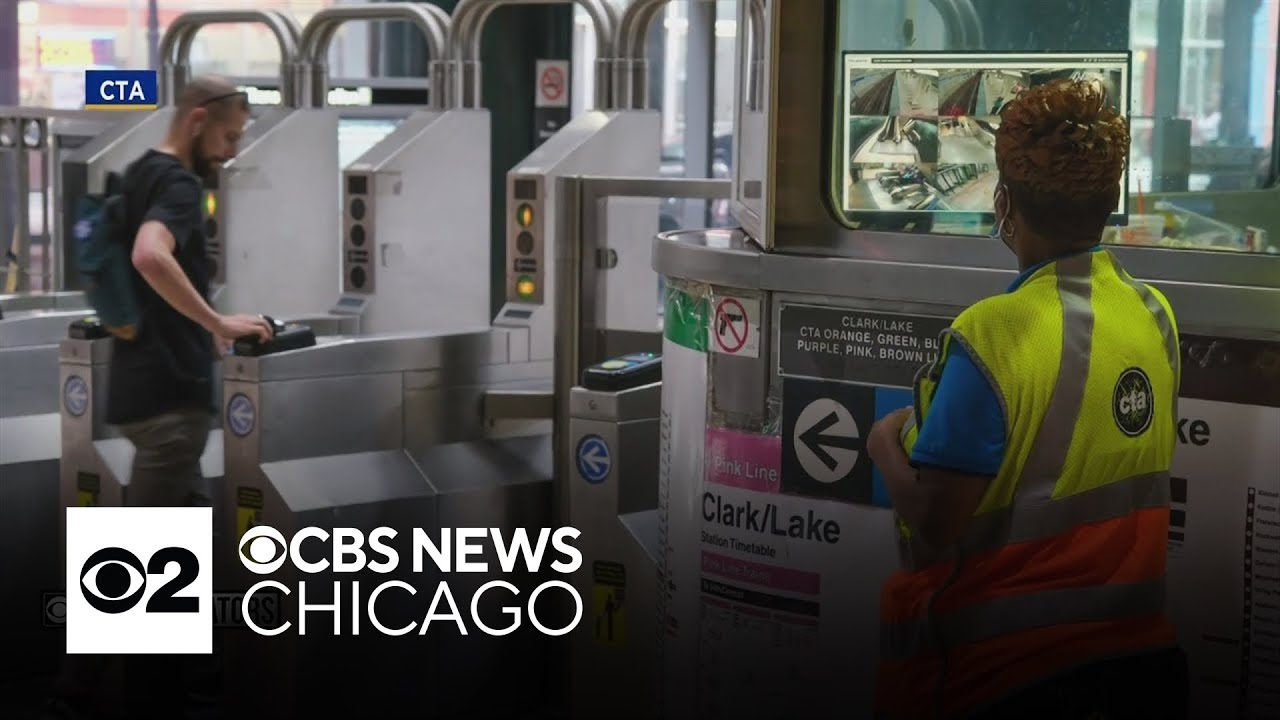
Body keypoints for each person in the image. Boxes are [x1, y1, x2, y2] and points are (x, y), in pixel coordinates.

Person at [867, 78, 1188, 720]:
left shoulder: (995, 333)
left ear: (1004, 202)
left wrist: (882, 441)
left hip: (1004, 675)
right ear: (1110, 199)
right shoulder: (1154, 314)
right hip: (1141, 669)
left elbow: (937, 521)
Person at [45, 75, 273, 720]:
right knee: (139, 566)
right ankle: (82, 694)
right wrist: (216, 322)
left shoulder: (139, 171)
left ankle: (196, 677)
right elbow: (150, 256)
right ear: (199, 119)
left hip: (145, 391)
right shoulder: (176, 185)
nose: (230, 150)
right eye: (228, 134)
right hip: (169, 401)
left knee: (181, 540)